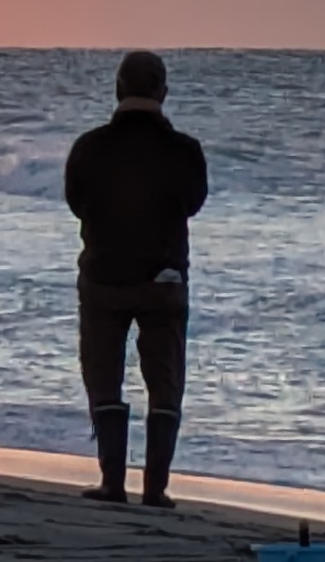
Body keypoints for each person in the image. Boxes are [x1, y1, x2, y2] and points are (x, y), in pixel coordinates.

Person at [62, 50, 213, 505]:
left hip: (103, 276)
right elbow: (193, 202)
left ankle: (112, 481)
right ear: (163, 92)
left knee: (104, 375)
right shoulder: (184, 151)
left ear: (117, 90)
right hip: (163, 278)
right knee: (165, 380)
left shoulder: (90, 147)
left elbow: (75, 201)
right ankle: (155, 488)